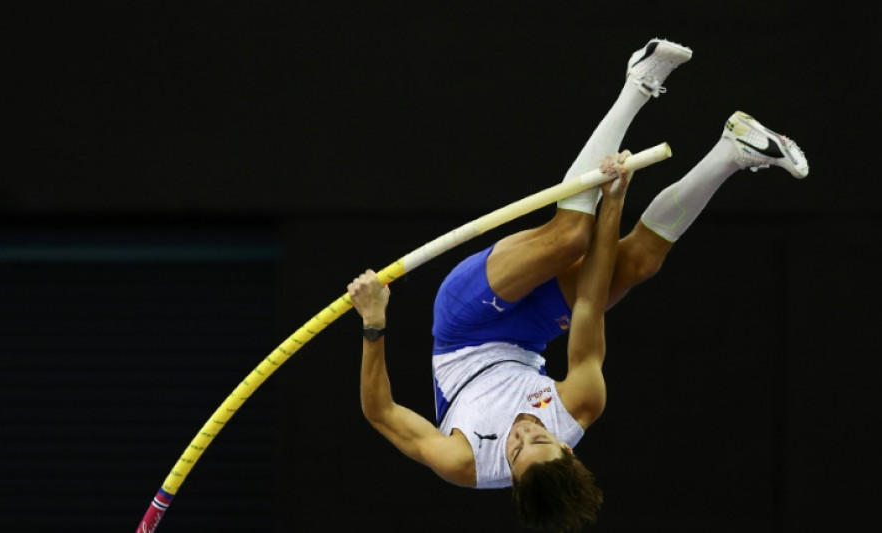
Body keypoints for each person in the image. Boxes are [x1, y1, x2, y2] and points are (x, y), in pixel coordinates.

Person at [346, 38, 809, 532]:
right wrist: (614, 198)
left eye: (516, 449)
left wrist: (375, 324)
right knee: (636, 264)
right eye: (537, 440)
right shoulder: (580, 406)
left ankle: (638, 81)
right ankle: (733, 151)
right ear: (565, 446)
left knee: (569, 237)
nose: (522, 433)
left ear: (511, 476)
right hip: (527, 333)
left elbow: (381, 412)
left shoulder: (464, 462)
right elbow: (589, 304)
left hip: (464, 323)